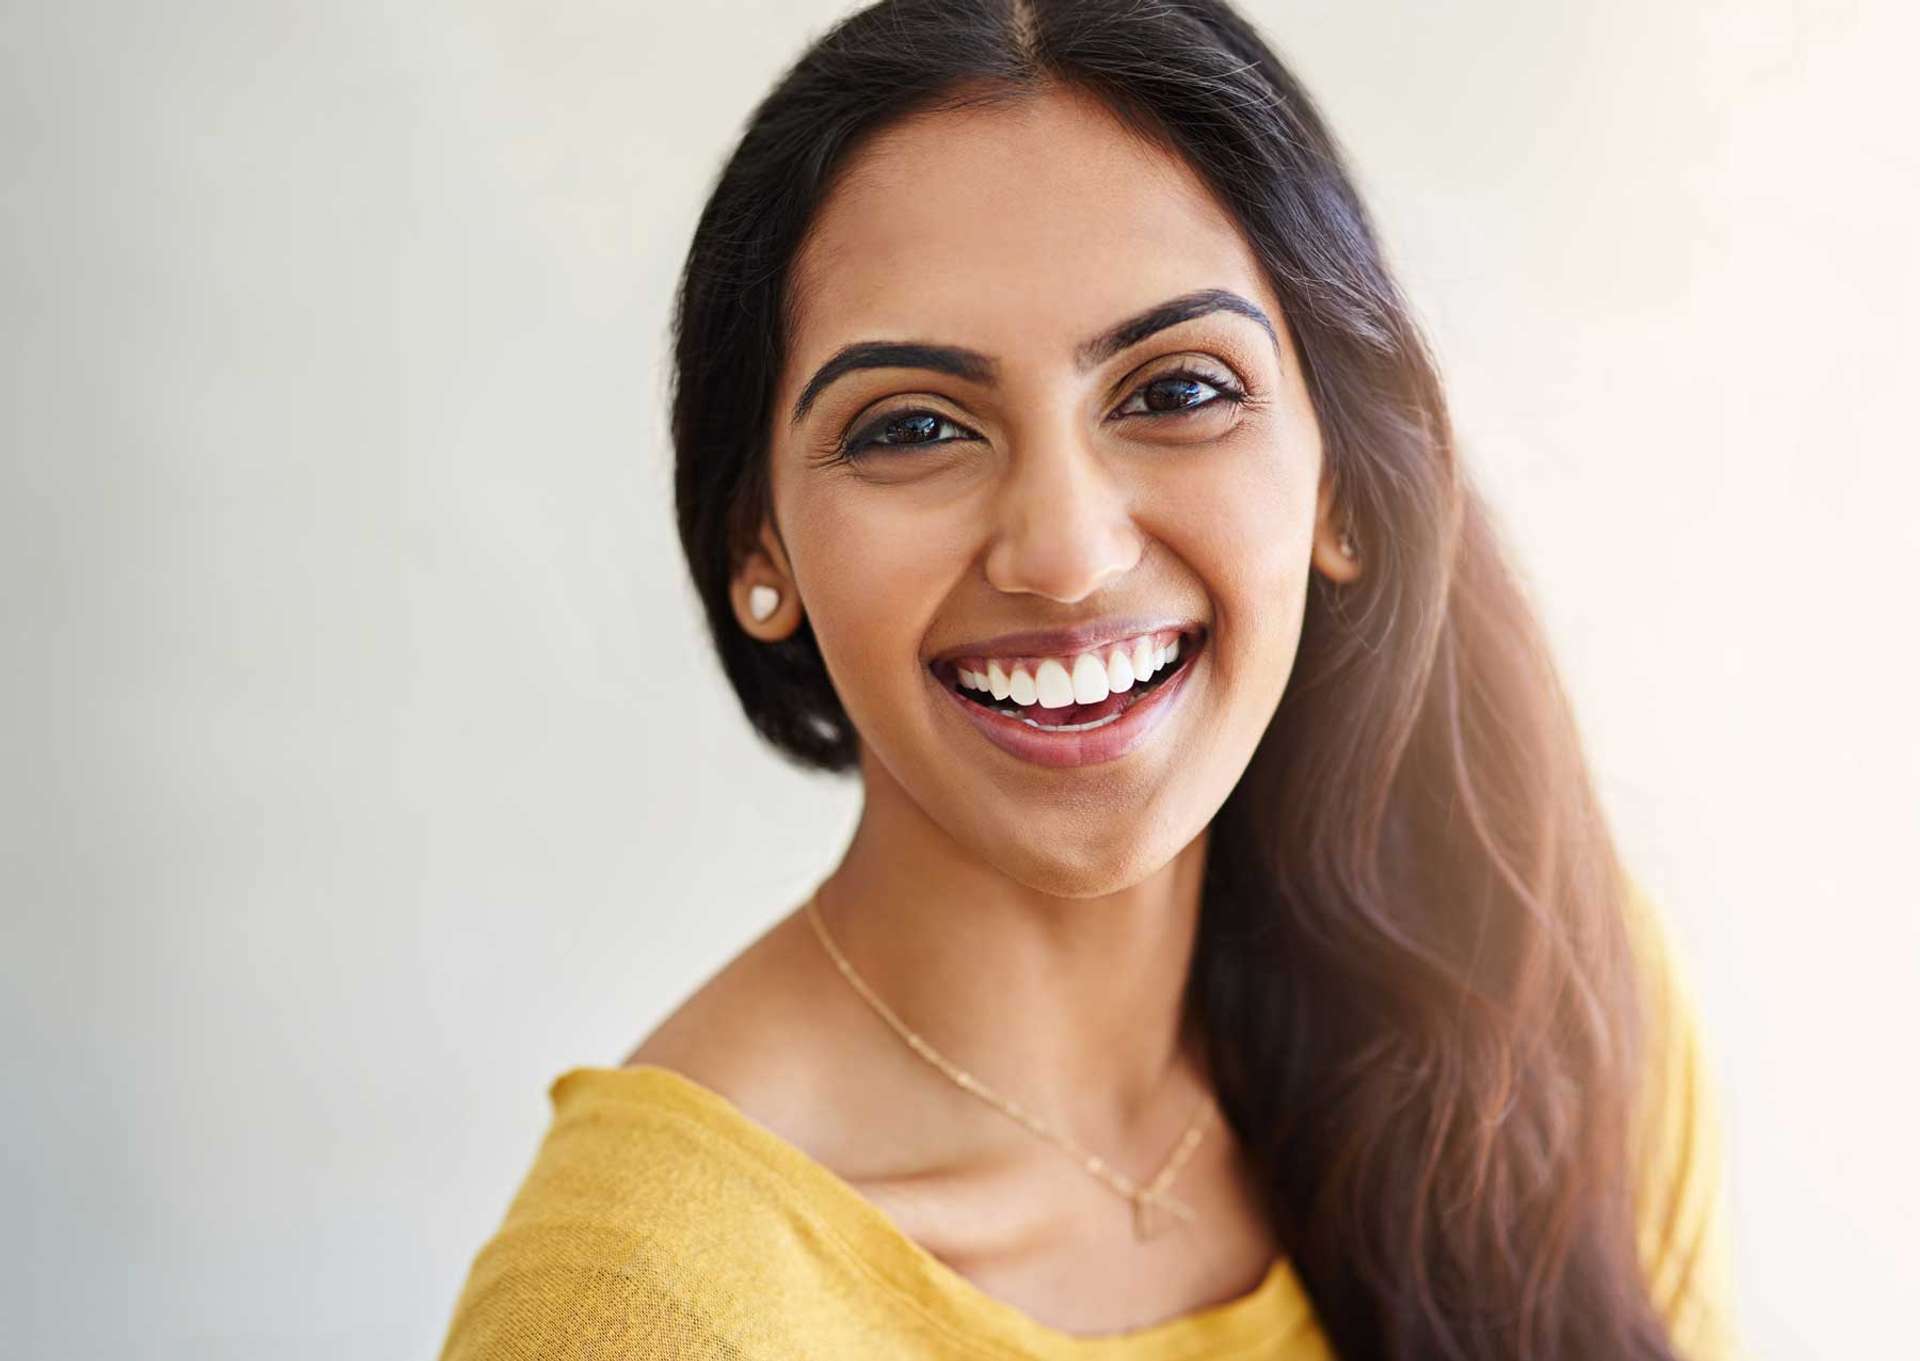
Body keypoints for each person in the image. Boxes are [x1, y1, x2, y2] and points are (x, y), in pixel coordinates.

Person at [437, 1, 1739, 1356]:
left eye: (1176, 390)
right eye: (915, 426)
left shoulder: (1554, 1006)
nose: (1065, 552)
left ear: (1342, 483)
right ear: (756, 541)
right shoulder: (639, 1305)